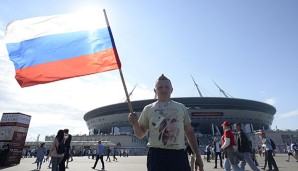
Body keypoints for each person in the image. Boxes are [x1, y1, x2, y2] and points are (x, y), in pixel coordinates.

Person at [128, 74, 204, 171]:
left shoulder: (181, 107)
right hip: (156, 156)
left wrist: (197, 155)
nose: (163, 89)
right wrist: (135, 124)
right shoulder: (148, 109)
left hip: (178, 155)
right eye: (160, 87)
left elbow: (189, 132)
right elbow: (140, 134)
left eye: (167, 87)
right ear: (155, 90)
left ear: (172, 89)